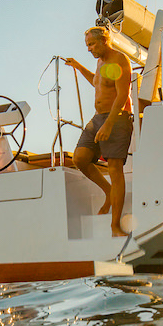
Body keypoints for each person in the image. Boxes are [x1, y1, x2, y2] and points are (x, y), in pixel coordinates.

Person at [65, 27, 133, 237]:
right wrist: (77, 66)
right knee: (80, 158)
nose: (89, 49)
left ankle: (115, 227)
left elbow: (122, 95)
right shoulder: (101, 62)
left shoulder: (119, 60)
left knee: (115, 168)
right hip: (98, 118)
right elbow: (97, 81)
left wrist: (109, 124)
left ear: (104, 41)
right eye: (87, 45)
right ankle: (108, 191)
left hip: (117, 118)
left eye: (92, 44)